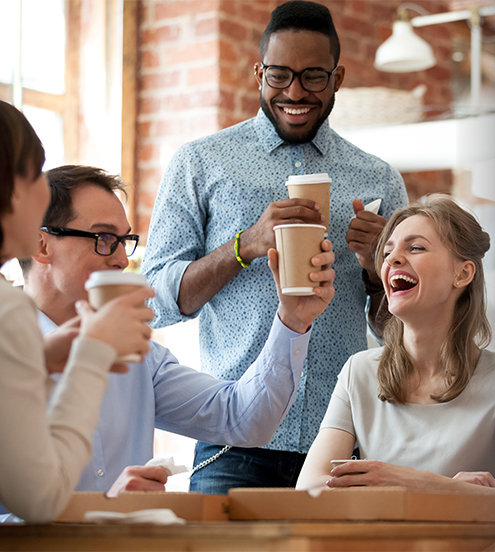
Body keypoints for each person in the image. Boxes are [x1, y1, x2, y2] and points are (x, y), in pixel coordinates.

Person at [141, 0, 406, 493]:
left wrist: (376, 273)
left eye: (313, 77)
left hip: (341, 441)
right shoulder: (200, 163)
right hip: (230, 444)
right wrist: (244, 245)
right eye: (280, 75)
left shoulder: (378, 179)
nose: (295, 92)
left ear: (338, 78)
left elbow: (401, 329)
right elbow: (156, 302)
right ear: (258, 72)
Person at [3, 165, 332, 516]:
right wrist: (96, 511)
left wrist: (294, 319)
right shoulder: (10, 348)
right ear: (42, 245)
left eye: (124, 241)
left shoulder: (139, 356)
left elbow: (244, 419)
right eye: (103, 239)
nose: (121, 259)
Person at [295, 195, 495, 507]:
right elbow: (309, 491)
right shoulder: (359, 371)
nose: (392, 260)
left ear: (463, 274)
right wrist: (442, 488)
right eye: (388, 251)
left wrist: (417, 483)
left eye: (415, 247)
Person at [0, 102, 153, 523]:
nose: (42, 192)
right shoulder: (8, 313)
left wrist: (39, 359)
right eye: (34, 175)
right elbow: (40, 498)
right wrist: (92, 353)